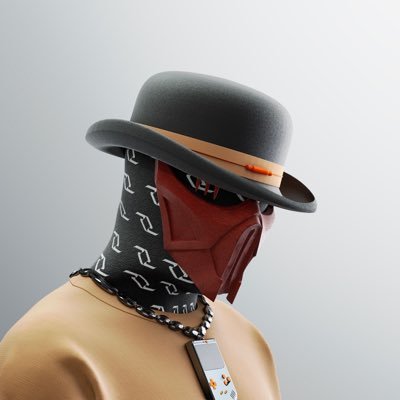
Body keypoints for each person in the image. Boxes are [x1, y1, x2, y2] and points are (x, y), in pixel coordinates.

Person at [0, 71, 317, 399]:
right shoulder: (50, 355)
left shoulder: (250, 342)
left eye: (264, 204)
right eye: (210, 188)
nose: (248, 227)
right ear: (138, 171)